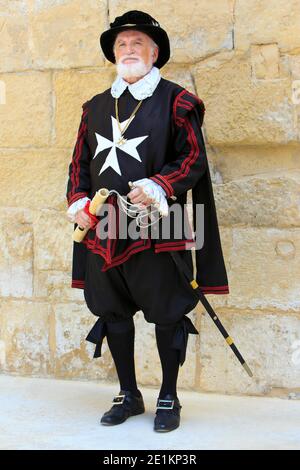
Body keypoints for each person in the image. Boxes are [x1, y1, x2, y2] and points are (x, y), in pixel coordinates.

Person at [66, 10, 229, 433]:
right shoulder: (96, 107)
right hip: (106, 227)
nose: (128, 50)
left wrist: (159, 184)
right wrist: (78, 199)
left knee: (168, 312)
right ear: (114, 54)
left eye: (137, 43)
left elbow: (193, 159)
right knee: (112, 311)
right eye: (121, 44)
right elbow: (78, 164)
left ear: (155, 53)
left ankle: (169, 395)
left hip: (160, 225)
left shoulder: (177, 101)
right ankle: (128, 393)